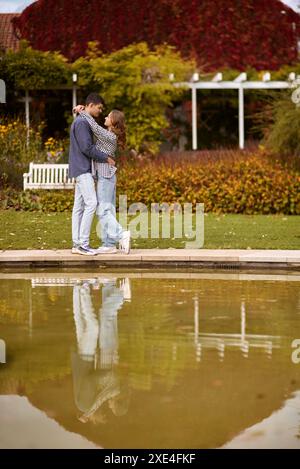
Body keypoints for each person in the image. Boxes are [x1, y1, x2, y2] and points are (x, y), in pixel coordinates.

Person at [73, 104, 131, 254]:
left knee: (102, 211)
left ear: (113, 121)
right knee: (108, 210)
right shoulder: (109, 134)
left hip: (106, 177)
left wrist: (82, 111)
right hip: (108, 176)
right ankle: (109, 243)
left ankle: (121, 234)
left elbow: (94, 127)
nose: (104, 117)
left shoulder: (109, 136)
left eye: (108, 116)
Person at [69, 93, 115, 256]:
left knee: (79, 207)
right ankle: (83, 243)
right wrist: (105, 157)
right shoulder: (82, 122)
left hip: (80, 167)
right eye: (99, 107)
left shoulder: (81, 119)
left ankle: (76, 243)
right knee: (91, 203)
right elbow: (86, 148)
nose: (100, 111)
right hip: (83, 168)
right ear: (90, 105)